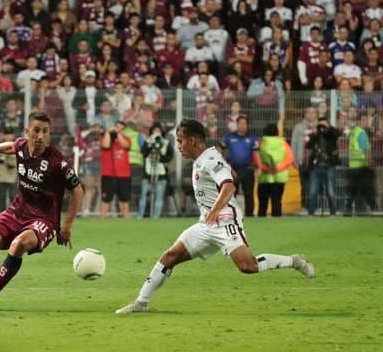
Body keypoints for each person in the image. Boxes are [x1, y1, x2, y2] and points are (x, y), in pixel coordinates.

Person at [115, 119, 315, 314]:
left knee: (248, 266)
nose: (178, 146)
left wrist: (215, 210)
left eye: (180, 140)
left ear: (192, 141)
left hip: (225, 221)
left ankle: (294, 261)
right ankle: (141, 303)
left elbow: (229, 185)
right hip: (206, 224)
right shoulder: (202, 160)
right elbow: (230, 177)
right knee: (170, 257)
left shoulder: (210, 160)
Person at [0, 111, 84, 311]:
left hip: (44, 219)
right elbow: (11, 146)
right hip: (16, 211)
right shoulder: (21, 146)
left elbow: (77, 190)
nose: (40, 136)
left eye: (45, 132)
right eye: (36, 130)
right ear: (27, 132)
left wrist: (67, 225)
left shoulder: (57, 162)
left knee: (19, 245)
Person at [221, 116, 259, 217]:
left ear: (247, 125)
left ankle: (250, 215)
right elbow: (219, 149)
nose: (242, 126)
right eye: (240, 123)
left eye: (244, 123)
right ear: (237, 125)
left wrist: (258, 167)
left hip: (247, 169)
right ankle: (230, 215)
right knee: (231, 194)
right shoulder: (229, 137)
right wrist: (225, 164)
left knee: (249, 194)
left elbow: (256, 154)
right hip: (233, 170)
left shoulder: (252, 138)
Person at [255, 123, 294, 217]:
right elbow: (289, 158)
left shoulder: (261, 143)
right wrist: (277, 168)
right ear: (277, 132)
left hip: (264, 177)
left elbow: (256, 157)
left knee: (263, 202)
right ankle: (277, 221)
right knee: (277, 201)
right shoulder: (283, 143)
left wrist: (265, 168)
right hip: (279, 176)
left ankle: (261, 221)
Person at [306, 117, 340, 216]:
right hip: (316, 167)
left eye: (323, 124)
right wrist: (316, 133)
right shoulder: (316, 134)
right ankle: (311, 212)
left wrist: (327, 128)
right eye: (320, 124)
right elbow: (308, 145)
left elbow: (336, 134)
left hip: (329, 166)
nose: (322, 126)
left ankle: (333, 213)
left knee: (331, 192)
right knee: (312, 192)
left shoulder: (331, 134)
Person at [138, 122, 173, 219]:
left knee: (159, 196)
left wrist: (159, 154)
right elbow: (143, 153)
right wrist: (149, 142)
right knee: (143, 195)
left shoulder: (166, 143)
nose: (157, 133)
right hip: (147, 173)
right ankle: (140, 216)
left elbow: (169, 157)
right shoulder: (148, 141)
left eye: (158, 131)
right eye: (155, 131)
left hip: (161, 174)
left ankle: (156, 217)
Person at [100, 121, 133, 219]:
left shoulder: (126, 138)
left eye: (121, 128)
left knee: (124, 198)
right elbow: (105, 146)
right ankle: (103, 217)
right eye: (117, 127)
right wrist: (107, 132)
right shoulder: (106, 138)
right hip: (108, 173)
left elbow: (126, 145)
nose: (118, 129)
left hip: (124, 174)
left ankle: (126, 217)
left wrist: (118, 134)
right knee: (106, 198)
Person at [0, 128, 18, 212]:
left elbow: (19, 160)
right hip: (1, 175)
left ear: (13, 135)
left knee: (13, 197)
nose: (8, 136)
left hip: (12, 176)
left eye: (10, 134)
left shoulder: (17, 146)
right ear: (3, 135)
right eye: (6, 134)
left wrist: (11, 163)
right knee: (1, 198)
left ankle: (14, 216)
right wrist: (1, 155)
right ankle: (1, 216)